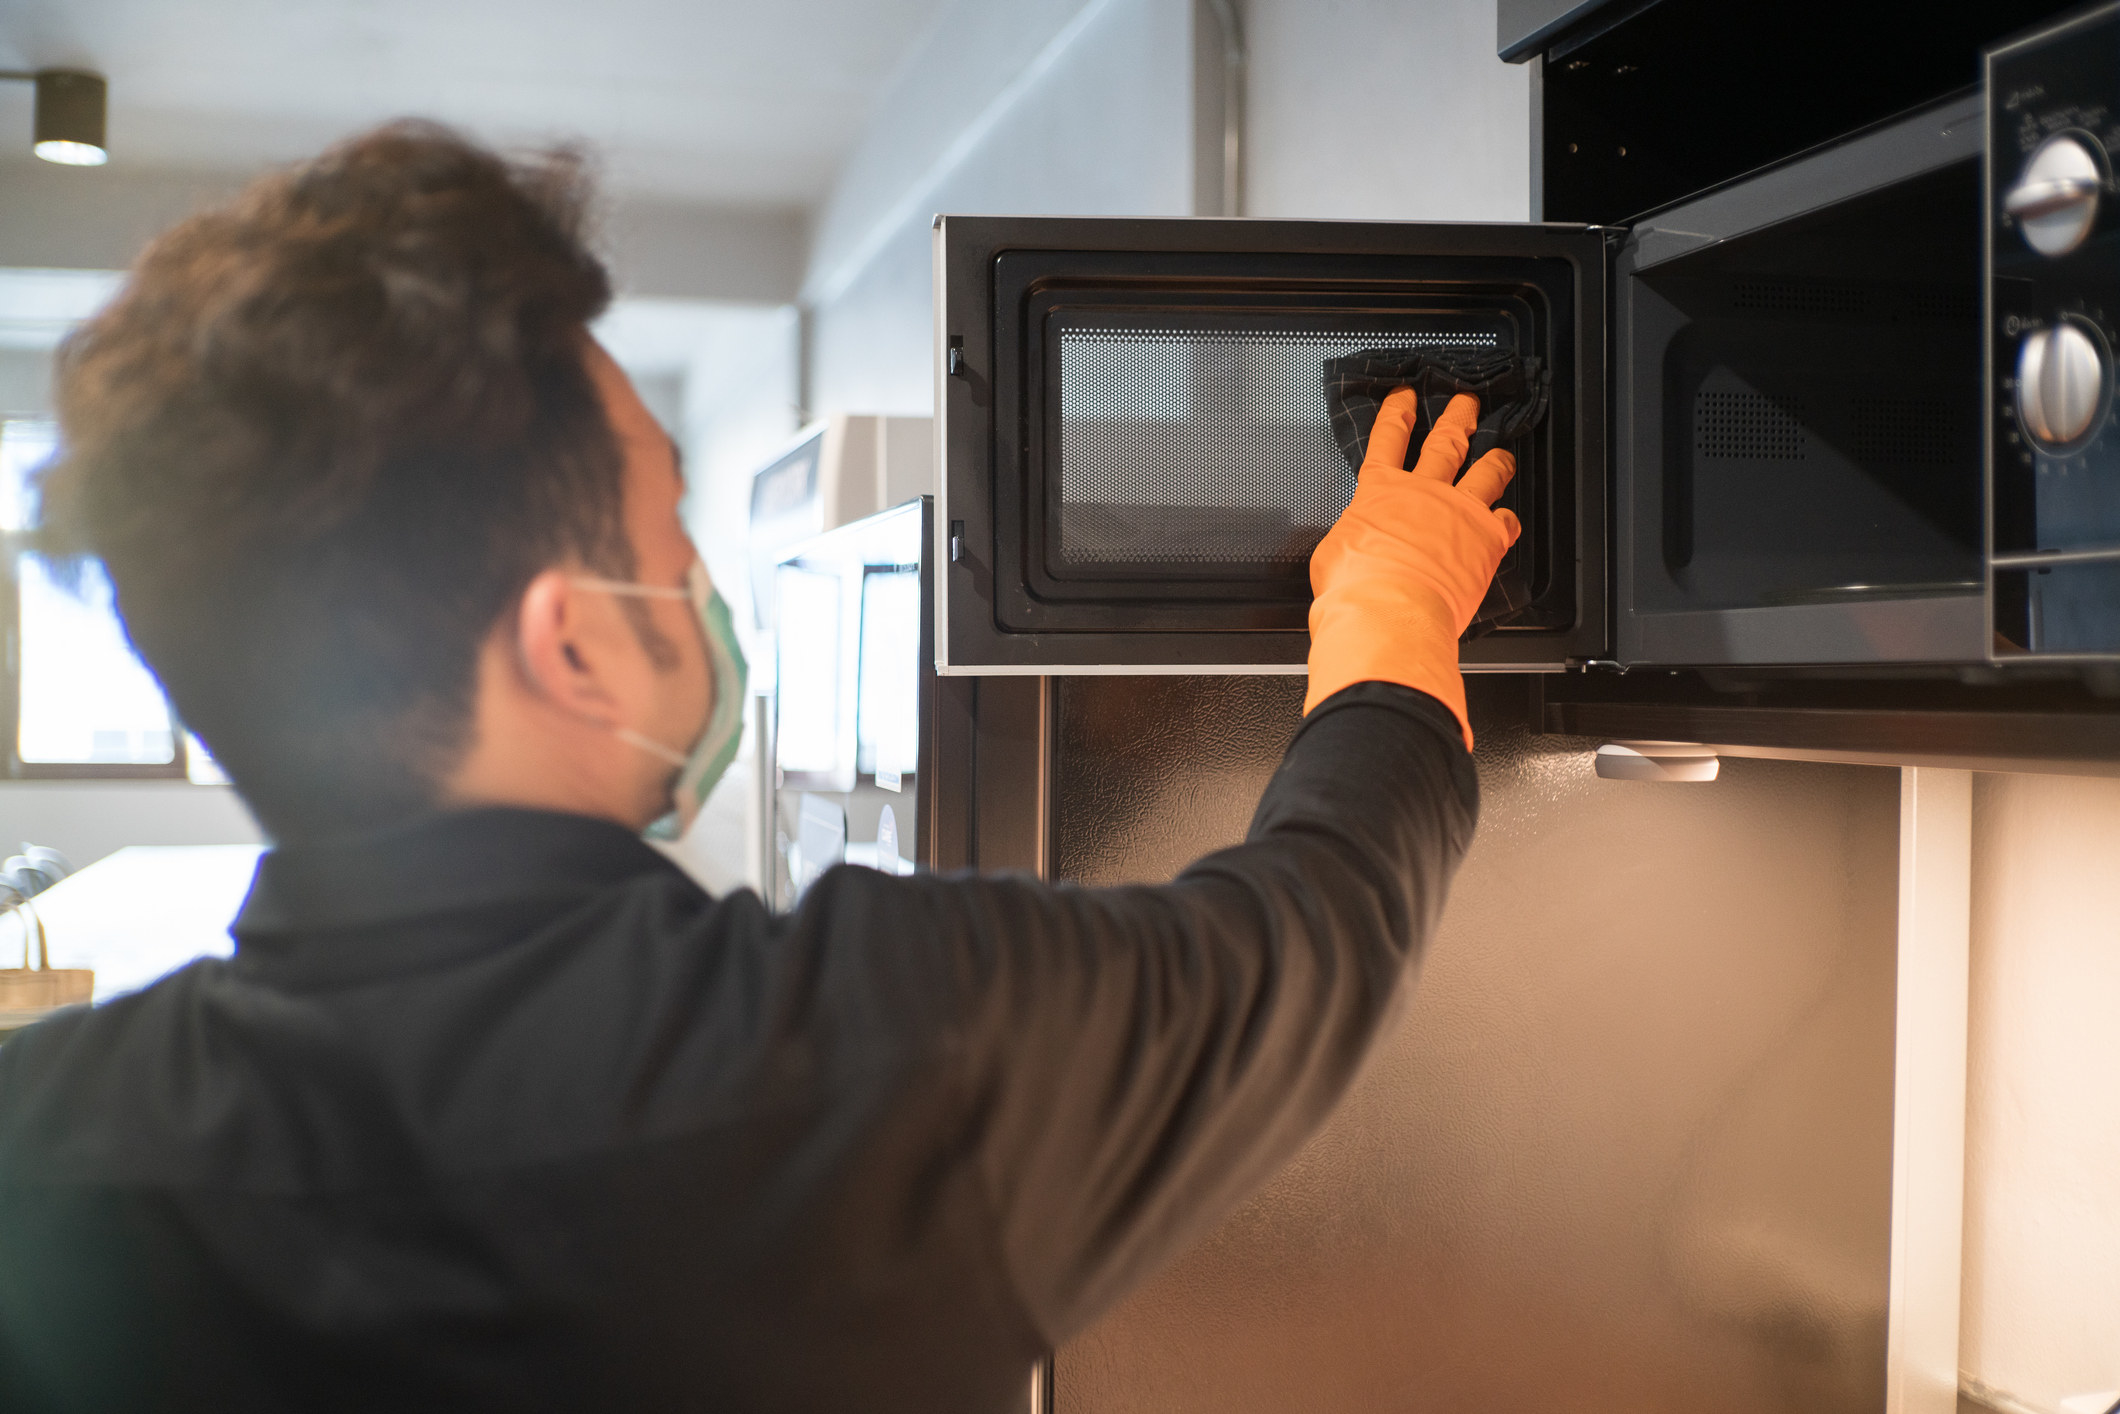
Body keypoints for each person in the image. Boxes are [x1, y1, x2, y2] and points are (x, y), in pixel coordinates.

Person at [0, 123, 1519, 1413]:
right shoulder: (884, 1043)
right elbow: (1316, 934)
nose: (702, 577)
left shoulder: (42, 1151)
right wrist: (1391, 609)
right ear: (572, 645)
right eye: (670, 526)